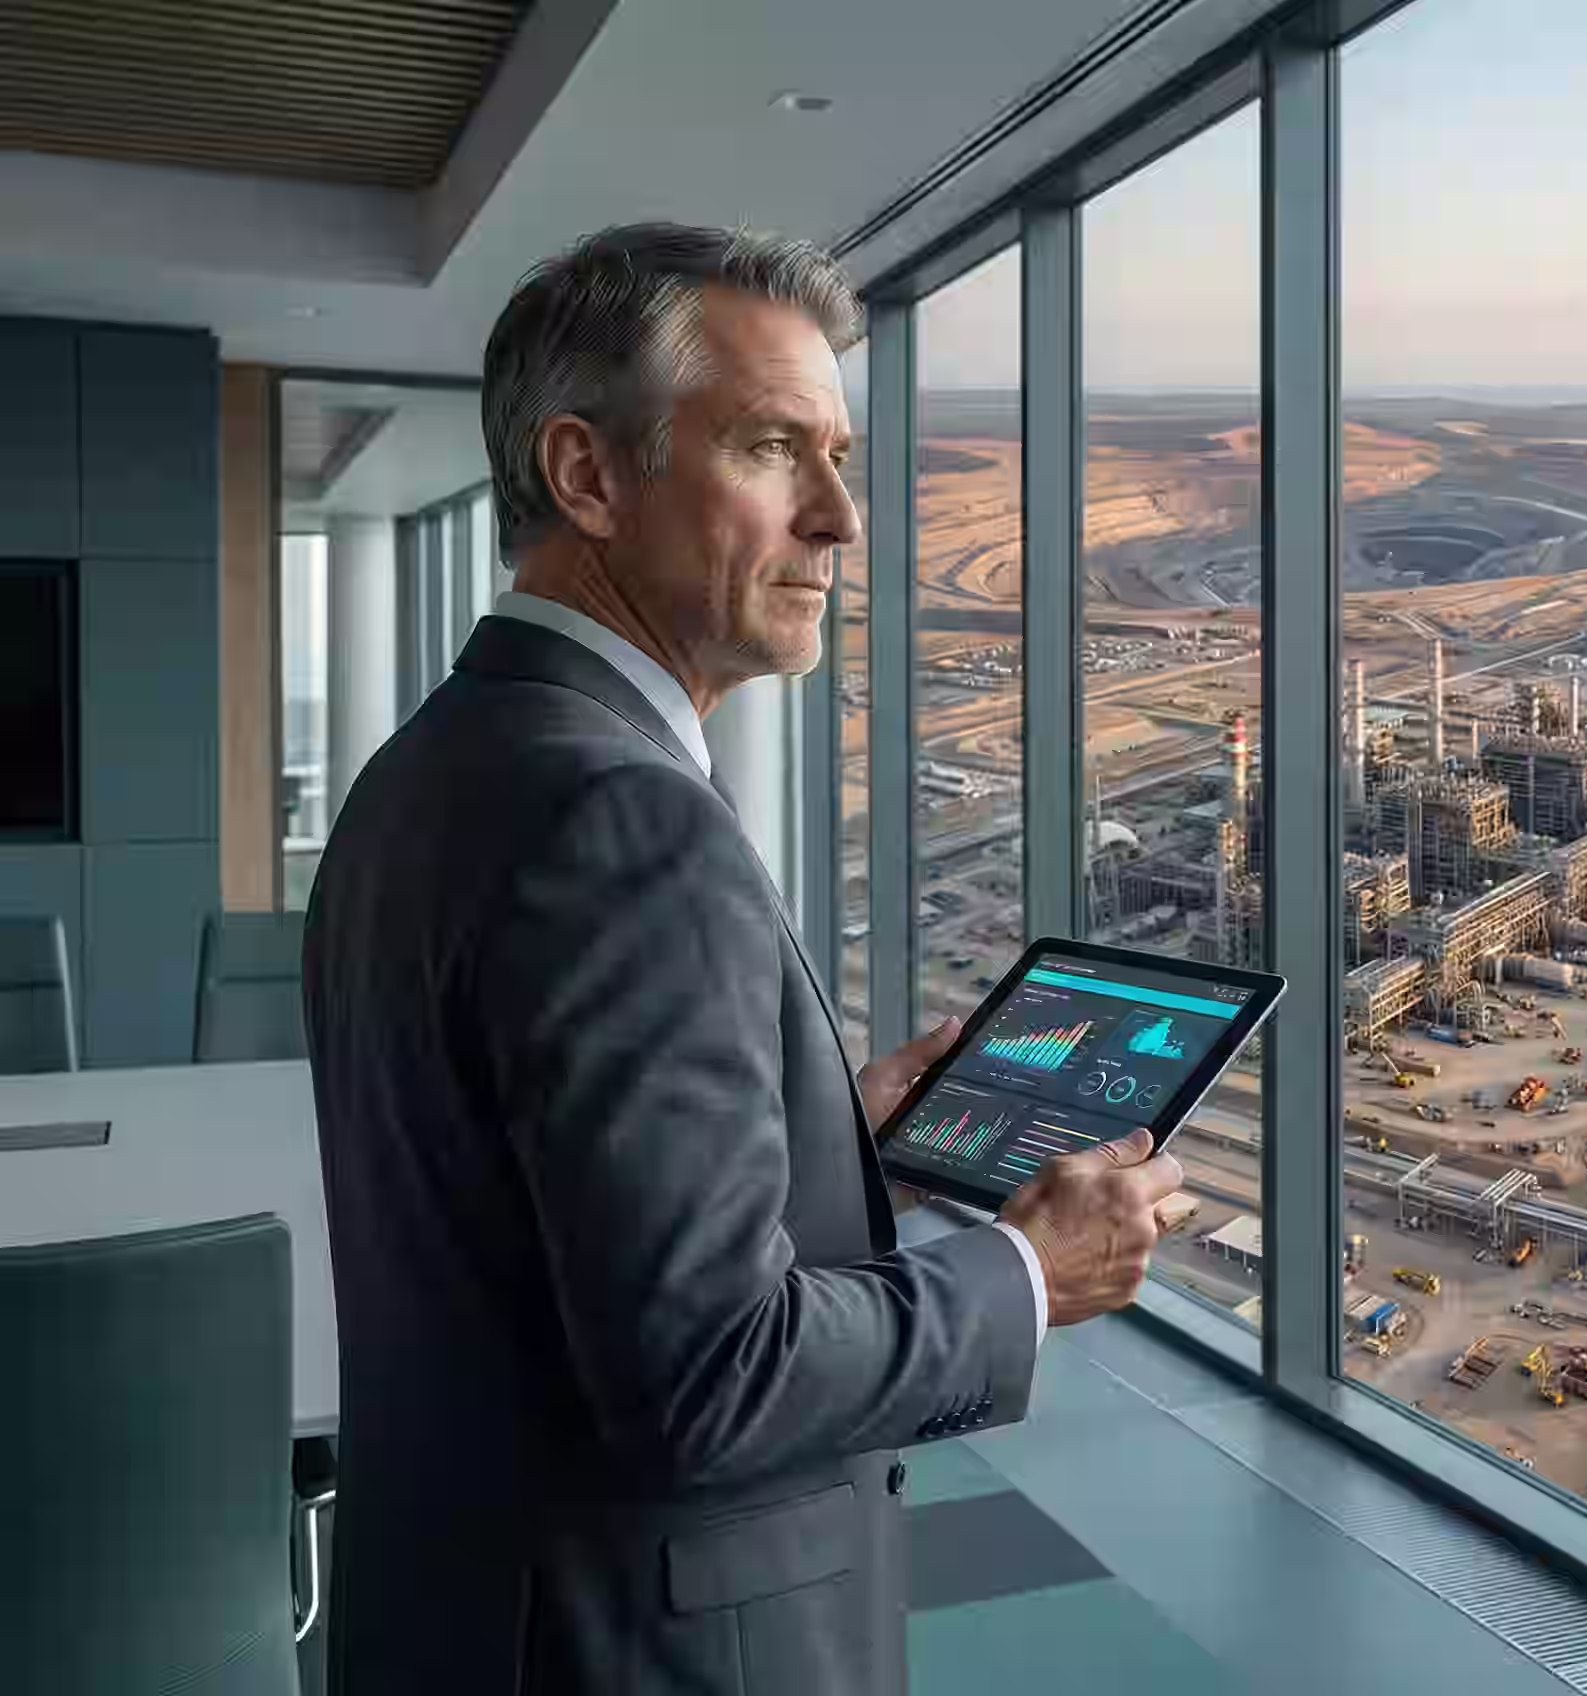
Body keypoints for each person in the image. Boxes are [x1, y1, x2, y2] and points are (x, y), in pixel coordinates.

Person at [302, 223, 1183, 1696]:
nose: (842, 517)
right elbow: (711, 1378)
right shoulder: (623, 816)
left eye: (838, 455)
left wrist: (834, 1141)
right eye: (777, 449)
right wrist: (1027, 1272)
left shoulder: (433, 768)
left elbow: (534, 1219)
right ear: (588, 476)